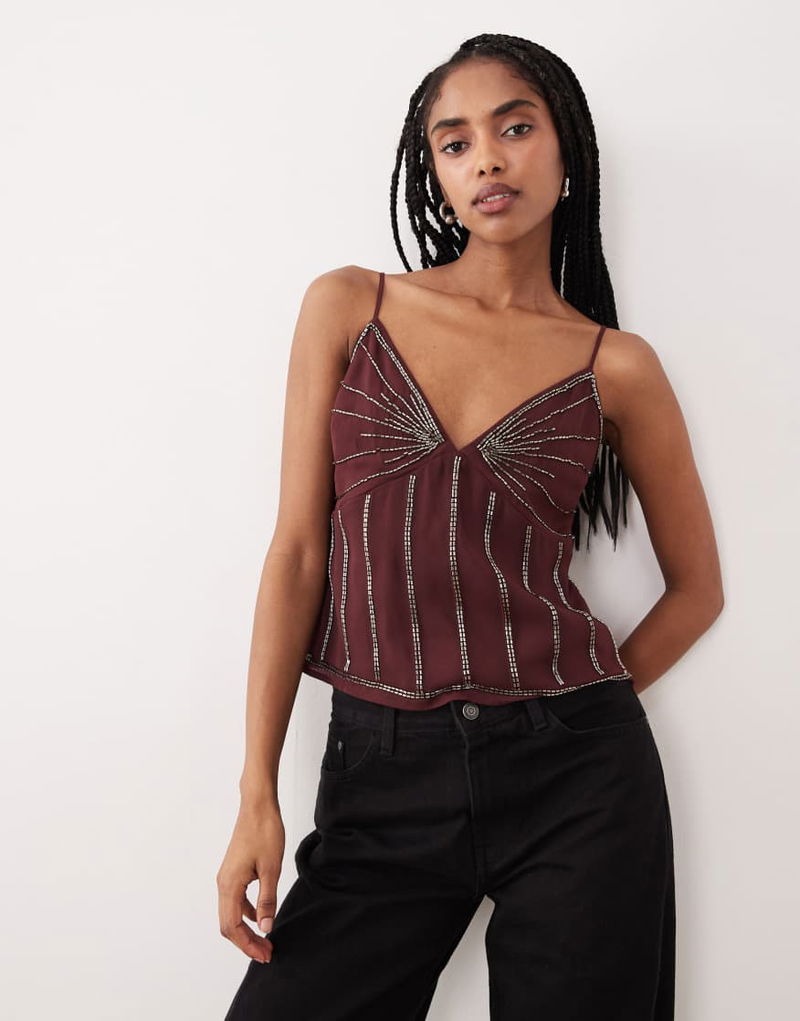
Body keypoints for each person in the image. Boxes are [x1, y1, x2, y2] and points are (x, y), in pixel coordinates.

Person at [217, 33, 724, 1021]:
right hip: (379, 776)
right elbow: (298, 554)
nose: (487, 158)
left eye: (514, 129)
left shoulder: (616, 365)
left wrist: (568, 713)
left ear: (566, 152)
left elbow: (697, 588)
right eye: (455, 143)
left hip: (579, 785)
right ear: (436, 177)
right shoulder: (349, 306)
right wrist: (256, 792)